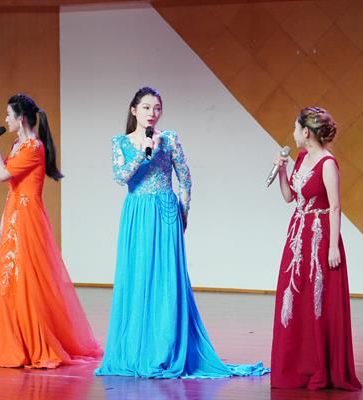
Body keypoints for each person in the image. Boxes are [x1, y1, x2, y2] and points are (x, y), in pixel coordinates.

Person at [95, 87, 268, 378]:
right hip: (137, 213)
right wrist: (144, 152)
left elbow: (185, 177)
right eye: (146, 107)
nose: (152, 113)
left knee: (166, 279)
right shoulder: (120, 142)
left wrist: (183, 213)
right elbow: (121, 176)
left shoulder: (170, 138)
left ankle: (165, 348)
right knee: (137, 275)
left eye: (157, 108)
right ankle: (136, 349)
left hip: (165, 211)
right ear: (134, 110)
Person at [0, 93, 102, 368]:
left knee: (28, 279)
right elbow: (13, 187)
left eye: (9, 115)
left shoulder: (33, 147)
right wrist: (3, 219)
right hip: (14, 216)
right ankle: (15, 341)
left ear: (21, 118)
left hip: (28, 218)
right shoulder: (18, 145)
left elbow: (3, 175)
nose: (5, 120)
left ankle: (33, 341)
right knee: (10, 279)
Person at [270, 107, 361, 390]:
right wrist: (282, 171)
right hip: (297, 236)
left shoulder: (328, 164)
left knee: (318, 300)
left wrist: (333, 246)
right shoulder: (300, 158)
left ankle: (321, 366)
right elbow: (289, 197)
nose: (293, 133)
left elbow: (335, 206)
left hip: (320, 239)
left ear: (306, 132)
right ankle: (297, 363)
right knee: (295, 297)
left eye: (296, 128)